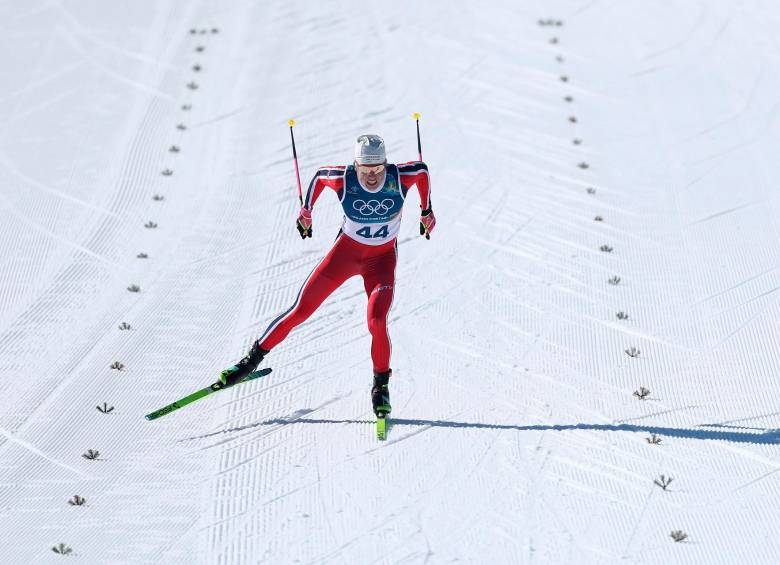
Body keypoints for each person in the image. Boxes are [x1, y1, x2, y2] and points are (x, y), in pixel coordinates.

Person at [218, 134, 435, 416]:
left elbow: (422, 171)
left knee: (378, 321)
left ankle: (380, 387)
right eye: (365, 170)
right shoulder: (344, 179)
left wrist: (426, 210)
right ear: (355, 166)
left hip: (381, 261)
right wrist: (306, 211)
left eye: (378, 170)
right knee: (300, 310)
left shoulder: (399, 177)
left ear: (385, 165)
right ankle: (249, 362)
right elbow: (320, 176)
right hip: (344, 257)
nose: (371, 177)